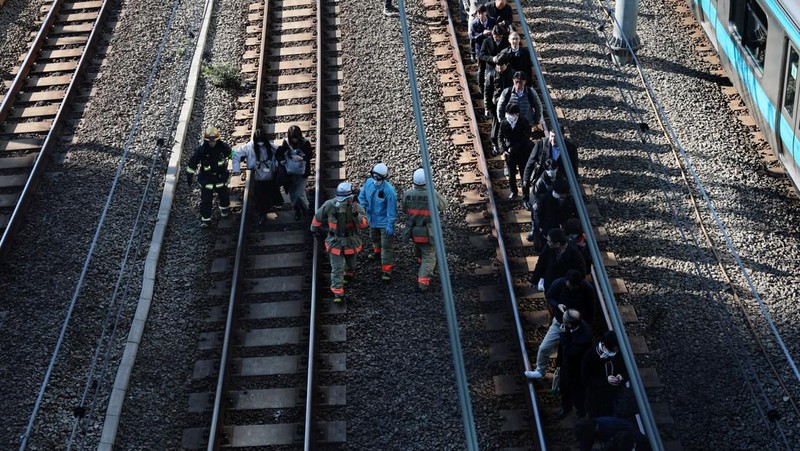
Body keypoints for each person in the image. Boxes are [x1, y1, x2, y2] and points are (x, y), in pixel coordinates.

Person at [525, 269, 595, 380]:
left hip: (578, 326)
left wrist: (586, 325)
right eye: (569, 285)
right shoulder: (559, 283)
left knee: (571, 354)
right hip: (560, 323)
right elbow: (549, 296)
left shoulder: (587, 289)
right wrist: (558, 305)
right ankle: (540, 371)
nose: (571, 288)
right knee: (544, 348)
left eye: (574, 287)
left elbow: (591, 308)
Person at [310, 182, 369, 303]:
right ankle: (338, 292)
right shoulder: (329, 205)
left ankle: (348, 273)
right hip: (335, 241)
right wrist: (314, 229)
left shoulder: (356, 208)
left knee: (351, 264)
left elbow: (363, 224)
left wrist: (355, 214)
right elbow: (318, 217)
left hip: (350, 241)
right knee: (337, 268)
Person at [402, 168, 449, 291]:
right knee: (429, 256)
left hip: (413, 231)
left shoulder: (407, 194)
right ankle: (423, 282)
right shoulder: (431, 194)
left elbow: (404, 209)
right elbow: (444, 205)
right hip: (428, 232)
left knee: (418, 245)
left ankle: (419, 258)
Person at [231, 127, 284, 230]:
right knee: (260, 196)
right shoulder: (249, 147)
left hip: (270, 175)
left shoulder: (270, 147)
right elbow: (236, 155)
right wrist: (236, 168)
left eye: (262, 141)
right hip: (259, 176)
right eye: (258, 141)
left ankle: (272, 205)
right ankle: (262, 214)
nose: (260, 143)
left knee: (271, 192)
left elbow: (280, 150)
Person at [186, 126, 233, 228]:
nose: (212, 143)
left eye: (214, 141)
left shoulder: (223, 147)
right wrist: (189, 175)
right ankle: (206, 220)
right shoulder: (201, 150)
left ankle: (224, 209)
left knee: (223, 195)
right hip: (207, 180)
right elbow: (193, 162)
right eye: (209, 141)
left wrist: (241, 158)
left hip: (220, 177)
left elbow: (232, 154)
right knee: (206, 200)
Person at [359, 163, 398, 281]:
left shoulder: (389, 191)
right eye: (374, 175)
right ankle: (377, 251)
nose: (375, 179)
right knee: (374, 237)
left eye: (378, 177)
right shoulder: (368, 183)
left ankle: (387, 270)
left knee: (386, 246)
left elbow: (392, 210)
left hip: (384, 222)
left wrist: (390, 224)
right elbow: (362, 196)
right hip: (372, 219)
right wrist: (364, 207)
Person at [554, 309, 592, 419]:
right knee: (564, 388)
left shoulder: (583, 338)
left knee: (578, 393)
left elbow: (569, 352)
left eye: (564, 320)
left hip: (577, 371)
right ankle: (566, 408)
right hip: (566, 366)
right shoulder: (575, 325)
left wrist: (563, 335)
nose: (562, 322)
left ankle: (581, 412)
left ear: (569, 324)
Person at [582, 331, 628, 418]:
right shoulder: (590, 356)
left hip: (612, 396)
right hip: (595, 396)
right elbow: (586, 379)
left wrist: (621, 376)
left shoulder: (620, 355)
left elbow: (625, 370)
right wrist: (605, 380)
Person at [530, 227, 586, 292]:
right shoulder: (548, 247)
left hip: (565, 287)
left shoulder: (574, 253)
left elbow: (581, 271)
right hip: (550, 283)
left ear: (557, 244)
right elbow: (541, 262)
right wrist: (534, 280)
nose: (547, 243)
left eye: (549, 241)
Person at [277, 125, 314, 220]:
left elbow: (310, 155)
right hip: (290, 173)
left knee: (299, 193)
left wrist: (301, 158)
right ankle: (299, 209)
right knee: (294, 192)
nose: (295, 140)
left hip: (302, 172)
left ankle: (305, 208)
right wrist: (282, 160)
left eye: (296, 138)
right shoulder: (285, 142)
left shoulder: (305, 142)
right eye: (293, 138)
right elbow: (281, 154)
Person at [528, 177, 577, 250]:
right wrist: (541, 227)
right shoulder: (545, 199)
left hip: (563, 227)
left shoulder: (569, 199)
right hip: (548, 227)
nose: (563, 197)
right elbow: (538, 215)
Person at [497, 103, 532, 200]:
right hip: (509, 154)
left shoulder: (524, 122)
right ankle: (514, 191)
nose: (509, 116)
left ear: (516, 114)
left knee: (524, 174)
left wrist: (514, 148)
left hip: (522, 152)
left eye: (511, 114)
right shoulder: (504, 123)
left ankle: (526, 194)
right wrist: (503, 150)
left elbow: (526, 138)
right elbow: (500, 137)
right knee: (511, 175)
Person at [484, 53, 513, 156]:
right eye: (497, 65)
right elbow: (487, 91)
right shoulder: (491, 75)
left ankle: (507, 145)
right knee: (496, 126)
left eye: (501, 65)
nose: (499, 68)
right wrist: (487, 107)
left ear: (507, 64)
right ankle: (496, 145)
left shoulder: (512, 74)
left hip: (509, 106)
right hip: (496, 105)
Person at [575, 417, 651, 451]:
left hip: (634, 441)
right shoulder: (592, 426)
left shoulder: (609, 429)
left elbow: (617, 444)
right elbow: (585, 443)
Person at [478, 25, 508, 97]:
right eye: (496, 37)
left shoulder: (506, 40)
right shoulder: (486, 41)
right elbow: (481, 55)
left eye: (500, 37)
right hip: (491, 67)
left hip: (503, 67)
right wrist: (492, 58)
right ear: (493, 34)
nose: (498, 39)